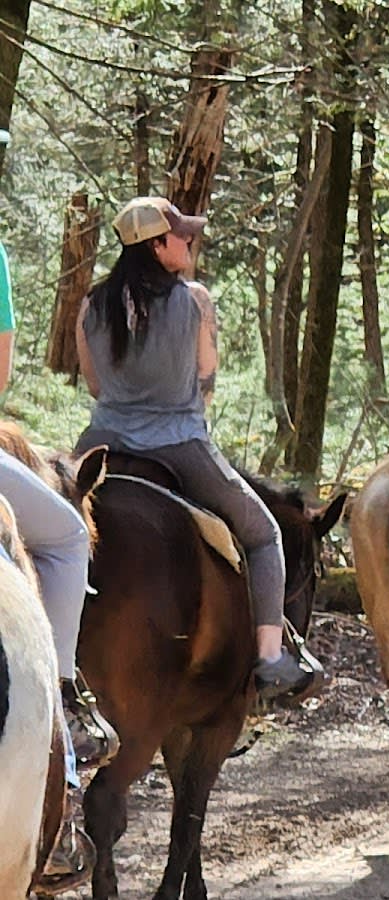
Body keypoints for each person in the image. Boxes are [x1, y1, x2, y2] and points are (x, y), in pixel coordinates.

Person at [75, 196, 312, 699]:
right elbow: (206, 376)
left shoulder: (91, 306)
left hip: (102, 442)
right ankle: (270, 657)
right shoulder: (195, 300)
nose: (190, 241)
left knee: (56, 529)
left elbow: (96, 386)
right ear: (157, 246)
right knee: (264, 533)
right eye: (182, 235)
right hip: (178, 442)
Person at [0, 127, 115, 890]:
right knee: (69, 534)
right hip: (171, 438)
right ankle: (67, 705)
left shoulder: (104, 304)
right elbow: (1, 365)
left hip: (108, 433)